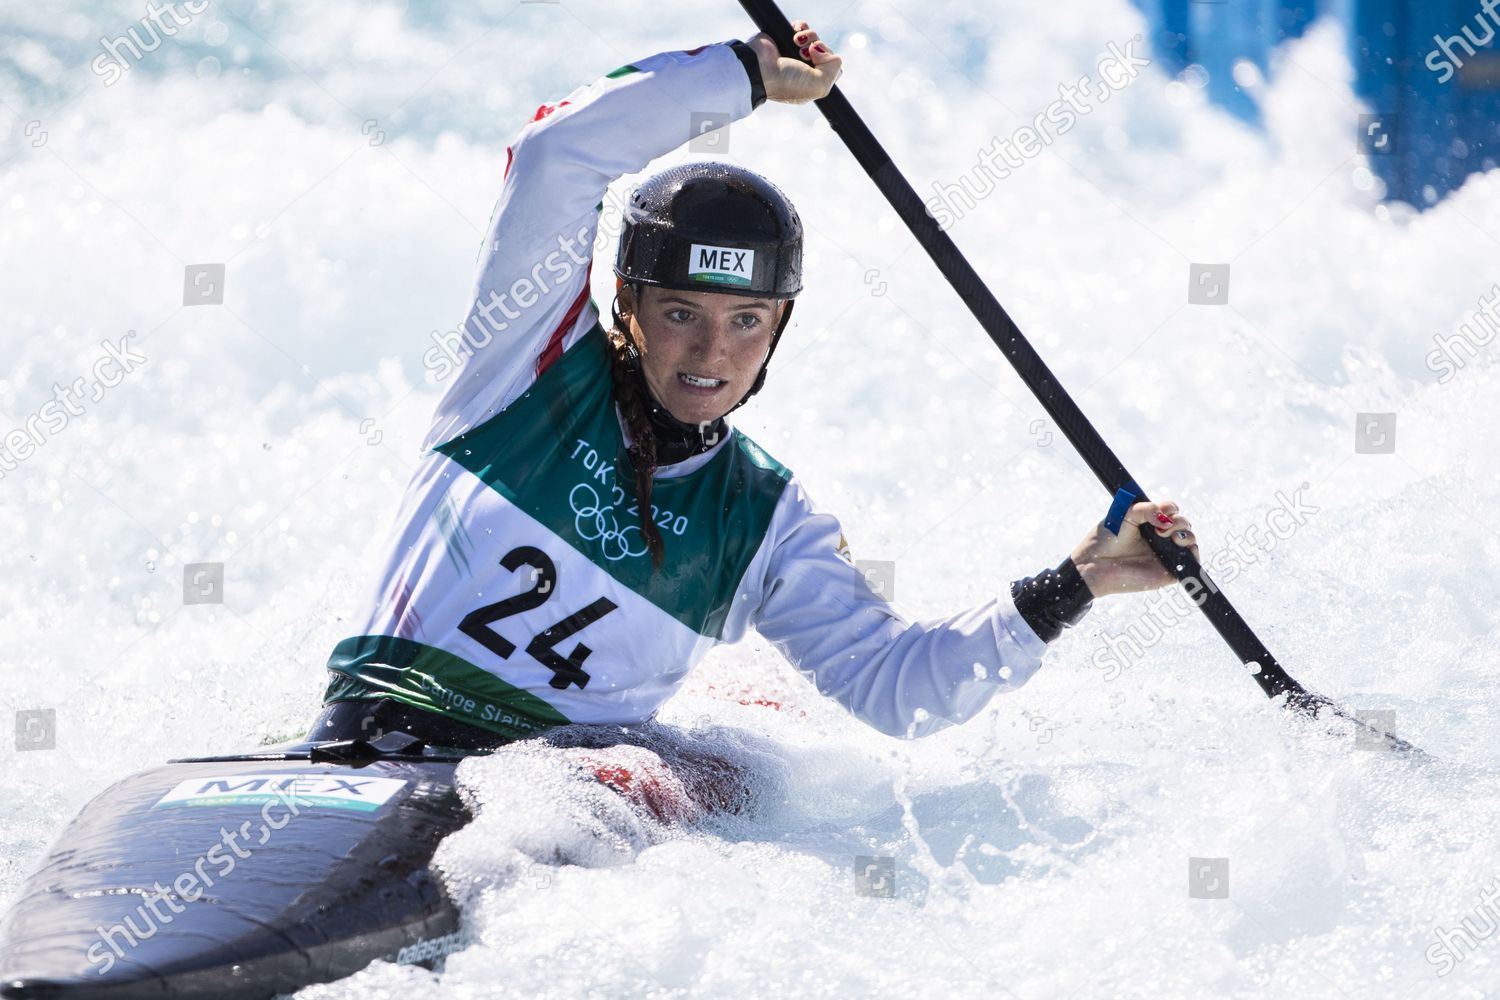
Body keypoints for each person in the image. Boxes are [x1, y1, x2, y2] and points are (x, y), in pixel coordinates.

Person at [308, 21, 1199, 817]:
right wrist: (744, 76)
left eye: (745, 323)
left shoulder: (766, 521)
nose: (710, 355)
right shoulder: (524, 368)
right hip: (364, 747)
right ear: (626, 302)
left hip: (539, 802)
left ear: (779, 328)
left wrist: (1077, 582)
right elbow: (554, 154)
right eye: (680, 312)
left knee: (696, 780)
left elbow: (898, 690)